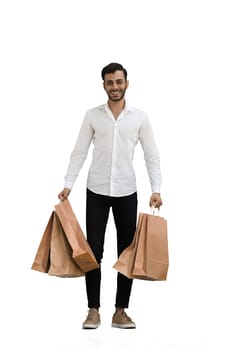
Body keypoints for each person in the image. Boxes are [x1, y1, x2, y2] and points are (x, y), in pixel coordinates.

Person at [58, 62, 162, 329]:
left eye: (119, 82)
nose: (114, 87)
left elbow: (151, 155)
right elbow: (79, 151)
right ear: (103, 85)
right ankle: (93, 310)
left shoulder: (139, 117)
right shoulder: (93, 116)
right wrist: (69, 183)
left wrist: (156, 189)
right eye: (109, 83)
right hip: (97, 192)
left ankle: (120, 311)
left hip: (127, 191)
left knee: (127, 252)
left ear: (127, 83)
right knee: (93, 251)